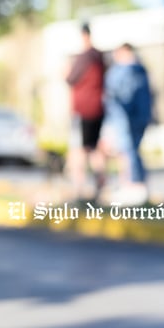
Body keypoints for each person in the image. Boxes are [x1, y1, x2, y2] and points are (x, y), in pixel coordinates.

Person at [101, 43, 153, 205]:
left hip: (124, 117)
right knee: (132, 151)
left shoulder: (123, 71)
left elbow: (117, 97)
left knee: (127, 152)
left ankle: (131, 186)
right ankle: (136, 185)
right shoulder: (141, 70)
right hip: (139, 116)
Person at [65, 22, 107, 200]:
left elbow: (70, 78)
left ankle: (79, 190)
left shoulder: (84, 57)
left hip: (83, 108)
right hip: (98, 107)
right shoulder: (100, 57)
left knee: (79, 150)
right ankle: (100, 185)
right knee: (95, 148)